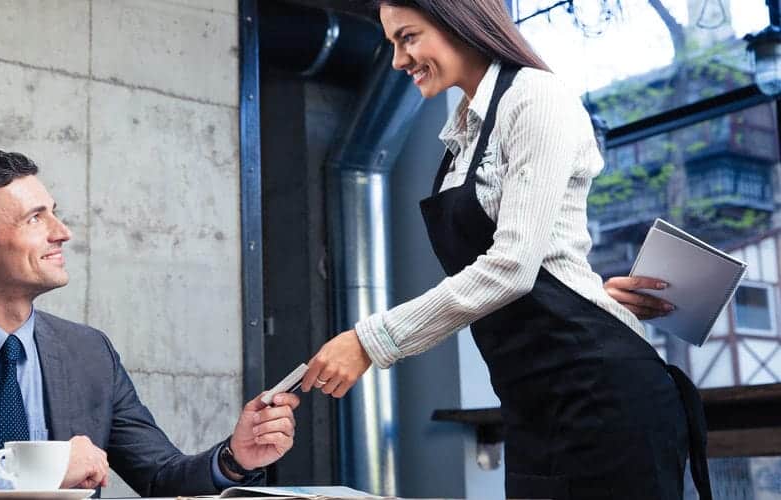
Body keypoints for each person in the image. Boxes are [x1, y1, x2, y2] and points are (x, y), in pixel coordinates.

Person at [299, 1, 710, 499]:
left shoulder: (537, 97)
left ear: (458, 20)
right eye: (392, 44)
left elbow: (512, 267)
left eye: (407, 37)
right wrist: (591, 293)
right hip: (532, 403)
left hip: (601, 392)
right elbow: (540, 256)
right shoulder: (464, 134)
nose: (398, 60)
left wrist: (370, 341)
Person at [0, 149, 299, 500]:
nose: (61, 232)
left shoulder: (90, 352)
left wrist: (235, 457)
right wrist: (20, 471)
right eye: (35, 218)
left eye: (55, 213)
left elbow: (160, 477)